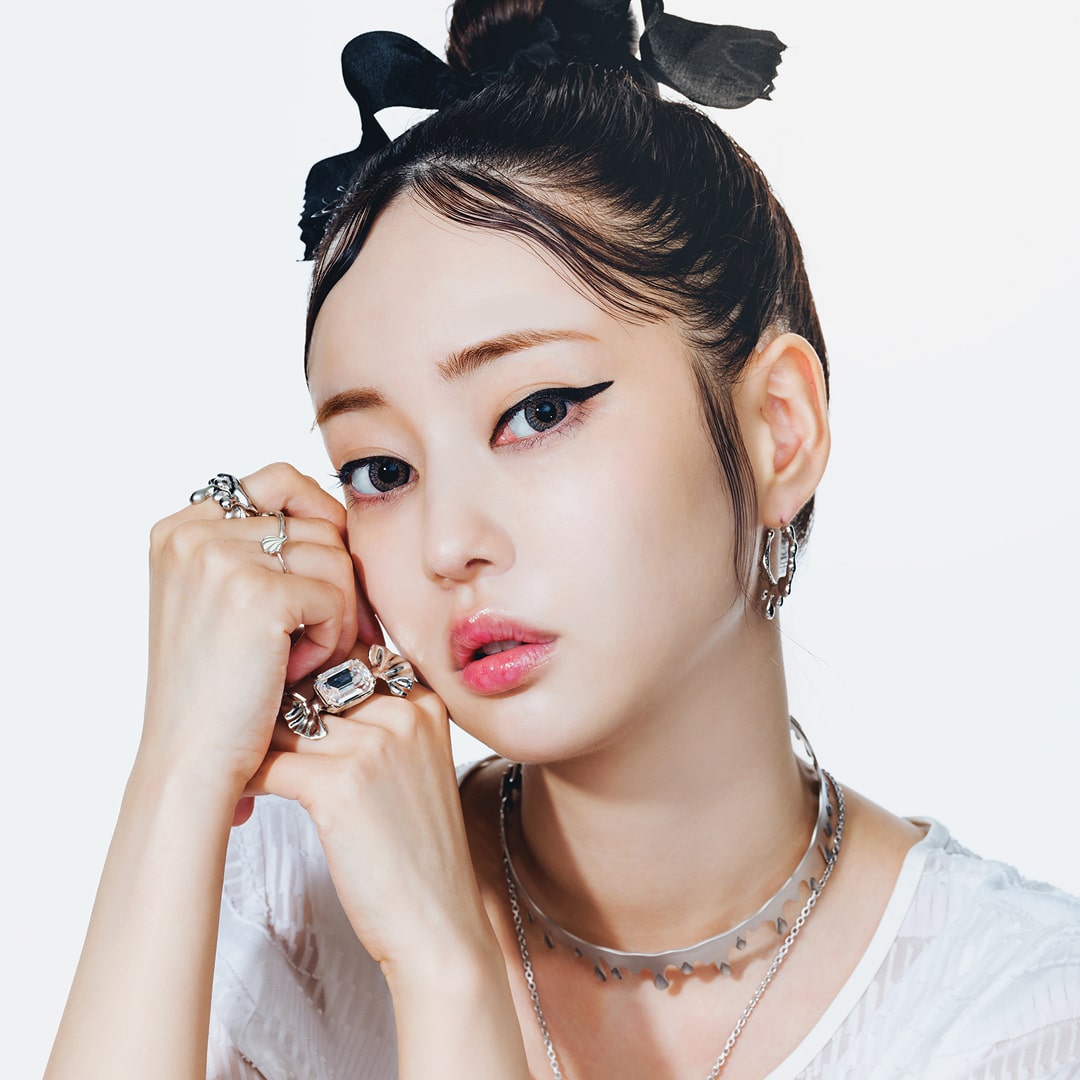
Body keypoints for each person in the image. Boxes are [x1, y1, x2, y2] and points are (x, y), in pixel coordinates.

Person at [45, 2, 1080, 1078]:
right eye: (382, 471)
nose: (448, 544)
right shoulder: (287, 906)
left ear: (779, 428)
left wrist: (447, 968)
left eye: (538, 412)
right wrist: (179, 775)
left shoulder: (1018, 1023)